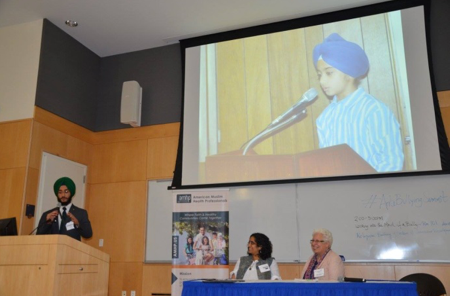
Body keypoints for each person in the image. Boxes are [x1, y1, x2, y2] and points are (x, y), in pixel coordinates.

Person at [313, 33, 404, 173]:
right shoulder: (324, 118)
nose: (322, 81)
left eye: (329, 73)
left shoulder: (374, 111)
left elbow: (392, 162)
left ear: (349, 73)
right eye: (320, 75)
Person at [37, 177, 92, 241]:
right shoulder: (48, 214)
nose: (63, 195)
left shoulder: (81, 213)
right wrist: (48, 222)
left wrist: (77, 224)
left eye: (66, 192)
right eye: (60, 192)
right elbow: (39, 235)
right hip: (53, 249)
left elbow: (88, 234)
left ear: (71, 193)